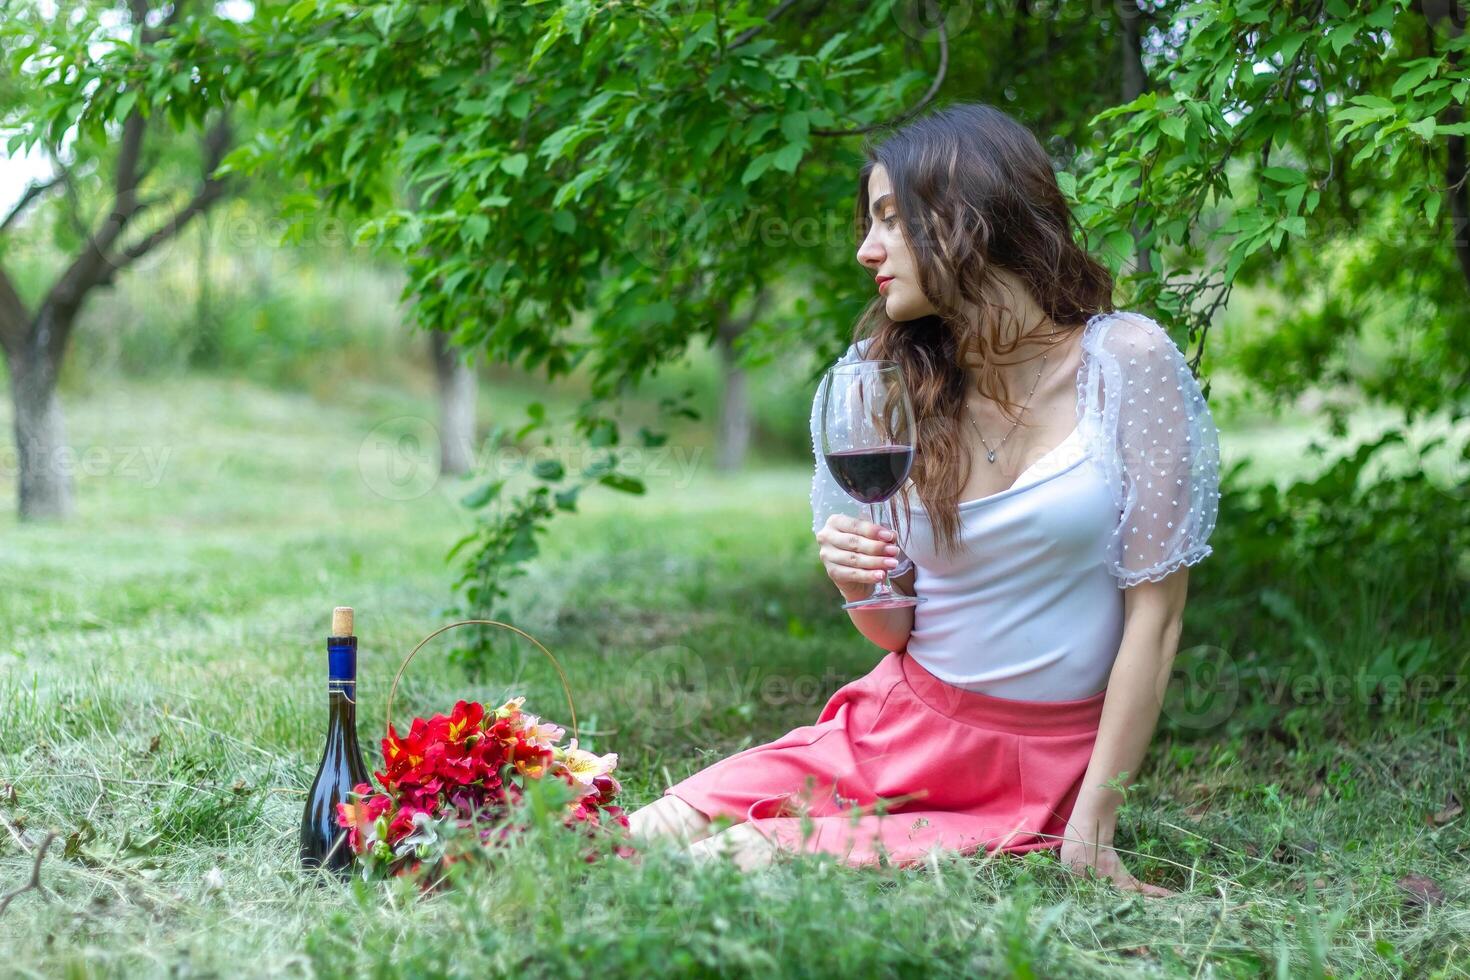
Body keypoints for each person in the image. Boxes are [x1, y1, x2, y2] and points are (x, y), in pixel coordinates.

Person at [626, 102, 1221, 897]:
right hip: (892, 729)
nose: (867, 250)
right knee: (643, 832)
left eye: (890, 220)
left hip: (1032, 763)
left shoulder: (1126, 363)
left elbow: (1159, 614)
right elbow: (892, 630)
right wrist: (857, 582)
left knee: (733, 861)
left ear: (968, 217)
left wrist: (1092, 824)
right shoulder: (881, 380)